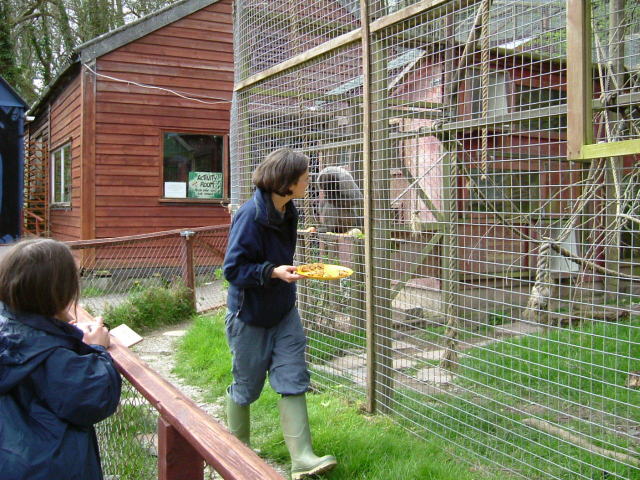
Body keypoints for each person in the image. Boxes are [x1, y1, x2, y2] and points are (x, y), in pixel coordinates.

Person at [223, 148, 337, 479]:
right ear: (287, 182)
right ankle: (236, 453)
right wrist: (272, 272)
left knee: (293, 377)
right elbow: (233, 269)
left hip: (284, 310)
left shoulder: (289, 210)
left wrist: (289, 271)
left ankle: (302, 459)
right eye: (304, 177)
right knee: (247, 387)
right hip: (250, 316)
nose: (309, 181)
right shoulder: (250, 216)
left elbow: (280, 260)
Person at [0, 238, 122, 480]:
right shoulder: (51, 355)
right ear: (59, 293)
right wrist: (97, 349)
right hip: (50, 468)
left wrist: (58, 325)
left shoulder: (10, 327)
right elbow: (94, 399)